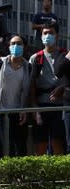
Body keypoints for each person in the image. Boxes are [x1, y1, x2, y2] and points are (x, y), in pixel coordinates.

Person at [0, 35, 31, 157]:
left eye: (19, 43)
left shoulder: (28, 66)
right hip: (0, 112)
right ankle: (5, 176)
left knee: (20, 148)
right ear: (9, 46)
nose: (15, 46)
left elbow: (27, 91)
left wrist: (24, 110)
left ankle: (19, 176)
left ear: (24, 47)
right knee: (4, 148)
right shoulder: (0, 62)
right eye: (13, 43)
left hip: (18, 113)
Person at [29, 21, 66, 155]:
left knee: (58, 142)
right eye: (45, 33)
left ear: (57, 36)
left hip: (61, 106)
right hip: (41, 106)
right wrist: (35, 109)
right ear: (41, 35)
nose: (48, 36)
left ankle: (61, 174)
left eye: (51, 33)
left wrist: (62, 88)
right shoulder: (35, 58)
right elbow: (31, 86)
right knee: (40, 144)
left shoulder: (65, 55)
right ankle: (41, 175)